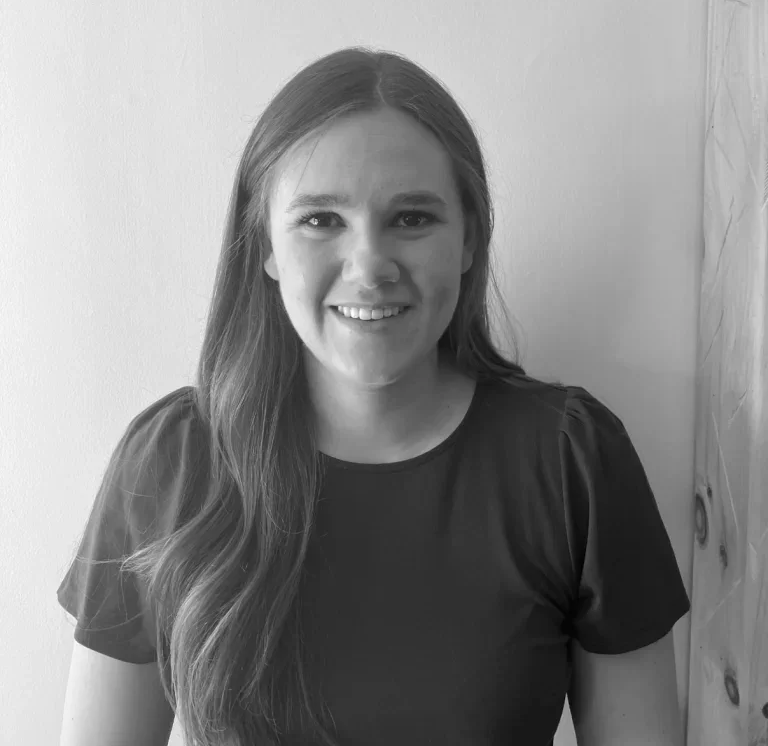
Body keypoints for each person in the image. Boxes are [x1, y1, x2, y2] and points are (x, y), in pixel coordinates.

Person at [57, 46, 690, 746]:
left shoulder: (571, 462)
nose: (369, 267)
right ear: (263, 245)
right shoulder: (170, 463)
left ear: (470, 239)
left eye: (411, 218)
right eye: (320, 220)